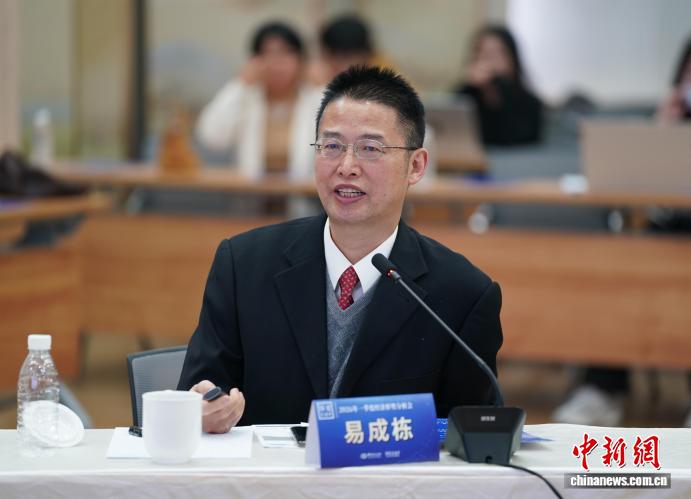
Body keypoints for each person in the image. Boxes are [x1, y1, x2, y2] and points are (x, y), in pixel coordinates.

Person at [178, 66, 504, 432]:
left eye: (370, 149)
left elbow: (473, 436)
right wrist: (203, 408)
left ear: (415, 166)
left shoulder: (462, 294)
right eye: (331, 146)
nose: (347, 167)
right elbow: (196, 393)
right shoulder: (244, 266)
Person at [553, 32, 691, 428]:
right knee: (620, 267)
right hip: (665, 231)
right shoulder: (669, 120)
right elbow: (640, 188)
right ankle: (601, 389)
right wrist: (664, 128)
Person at [196, 22, 322, 180]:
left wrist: (320, 87)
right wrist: (240, 85)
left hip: (303, 193)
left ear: (300, 61)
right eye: (267, 54)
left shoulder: (314, 99)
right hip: (252, 193)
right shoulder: (246, 98)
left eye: (285, 53)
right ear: (254, 61)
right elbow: (211, 137)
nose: (276, 64)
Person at [455, 25, 543, 146]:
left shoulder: (531, 103)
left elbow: (519, 137)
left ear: (512, 58)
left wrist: (500, 86)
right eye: (484, 53)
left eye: (497, 53)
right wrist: (473, 86)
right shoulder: (467, 95)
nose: (490, 60)